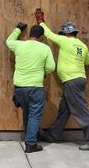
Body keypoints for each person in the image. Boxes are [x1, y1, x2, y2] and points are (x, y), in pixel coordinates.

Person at [34, 8, 89, 151]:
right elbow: (87, 62)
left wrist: (41, 21)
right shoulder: (83, 46)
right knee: (64, 109)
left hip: (71, 81)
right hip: (77, 80)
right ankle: (54, 134)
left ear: (66, 33)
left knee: (81, 110)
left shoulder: (65, 41)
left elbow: (47, 33)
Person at [6, 22, 55, 153]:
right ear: (41, 37)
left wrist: (17, 29)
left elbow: (9, 41)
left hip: (20, 87)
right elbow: (51, 67)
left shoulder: (19, 45)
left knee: (27, 113)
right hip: (35, 87)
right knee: (34, 115)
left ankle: (29, 137)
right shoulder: (45, 48)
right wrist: (43, 72)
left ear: (29, 34)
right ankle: (31, 143)